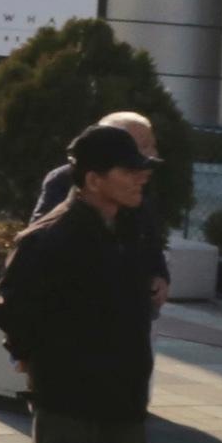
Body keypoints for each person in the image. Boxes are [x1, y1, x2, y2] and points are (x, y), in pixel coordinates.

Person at [0, 123, 164, 443]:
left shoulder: (133, 225)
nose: (141, 178)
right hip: (69, 407)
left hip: (124, 404)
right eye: (129, 171)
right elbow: (10, 310)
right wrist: (33, 357)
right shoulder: (50, 239)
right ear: (92, 181)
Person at [29, 107, 169, 311]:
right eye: (143, 146)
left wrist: (160, 275)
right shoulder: (52, 232)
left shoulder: (140, 192)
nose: (152, 155)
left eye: (153, 145)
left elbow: (150, 241)